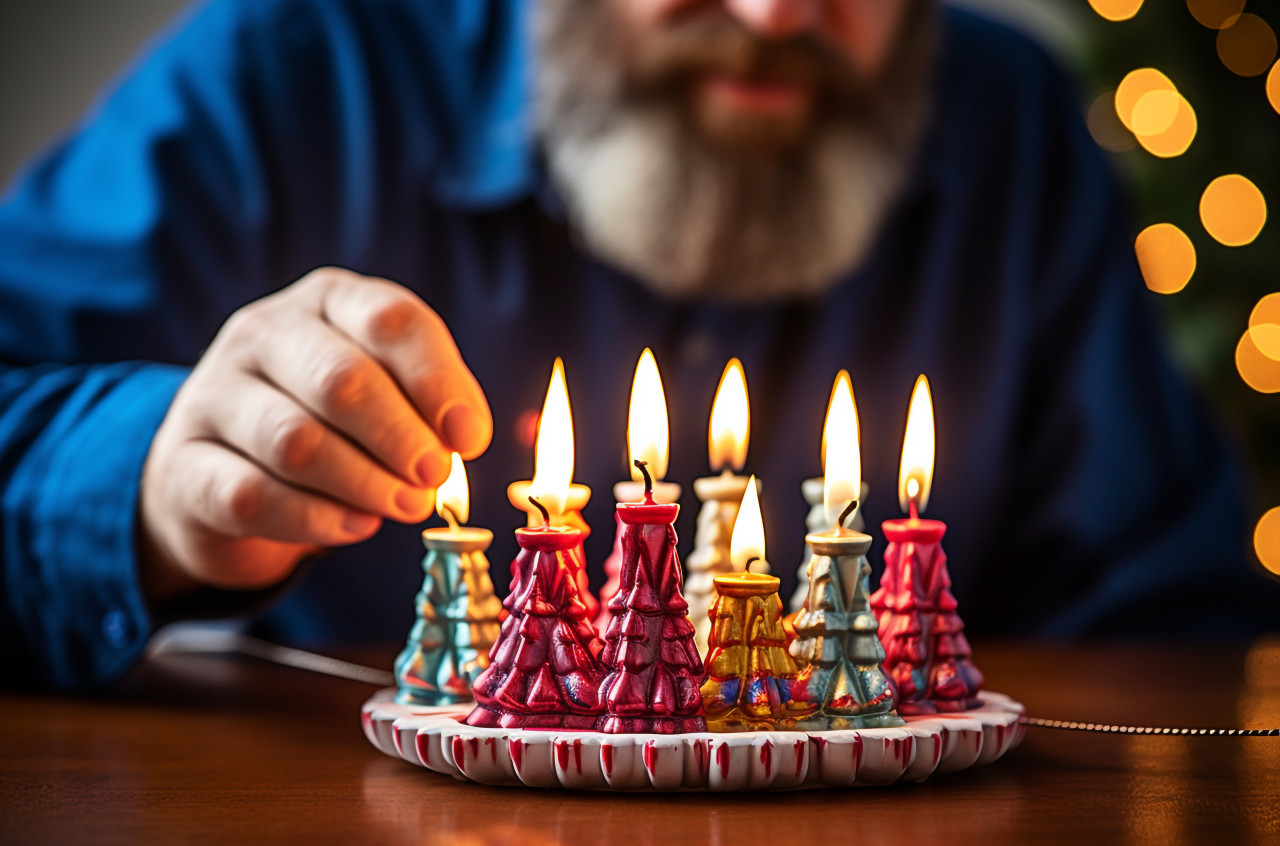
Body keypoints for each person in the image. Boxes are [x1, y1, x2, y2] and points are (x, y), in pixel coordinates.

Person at [2, 0, 1275, 692]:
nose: (776, 14)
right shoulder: (287, 73)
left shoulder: (1011, 125)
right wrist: (152, 481)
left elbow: (1172, 634)